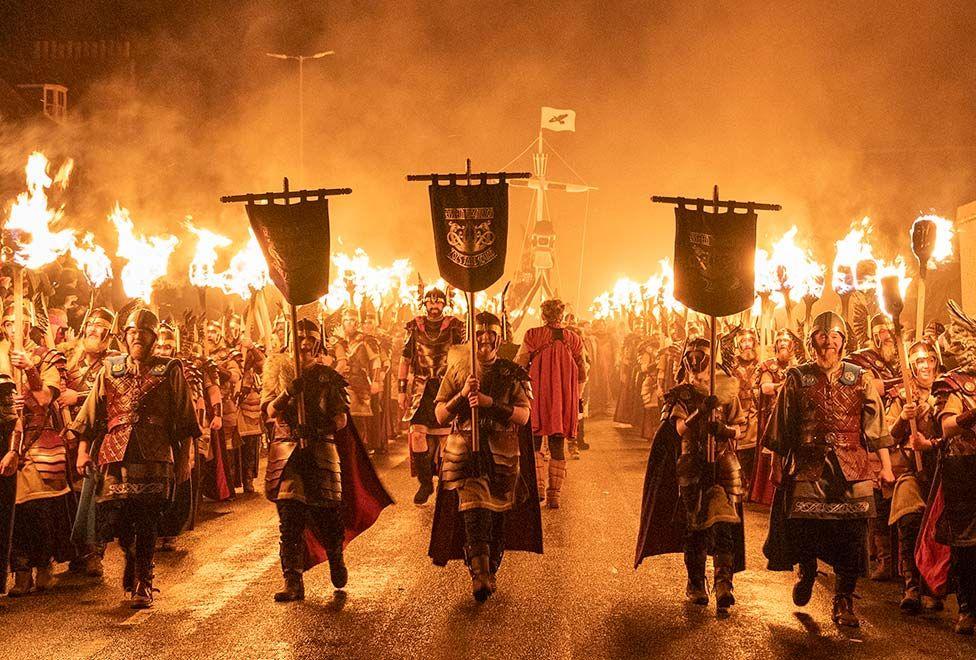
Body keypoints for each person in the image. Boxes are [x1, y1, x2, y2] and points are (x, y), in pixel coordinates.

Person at [763, 311, 895, 628]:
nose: (828, 343)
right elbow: (781, 427)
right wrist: (775, 465)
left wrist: (886, 466)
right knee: (806, 529)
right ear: (812, 343)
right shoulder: (796, 377)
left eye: (834, 337)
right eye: (822, 337)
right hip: (808, 463)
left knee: (852, 536)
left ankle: (844, 599)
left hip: (852, 464)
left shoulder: (859, 377)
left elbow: (875, 425)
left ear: (843, 342)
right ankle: (807, 571)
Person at [70, 308, 200, 608]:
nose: (137, 337)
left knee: (147, 519)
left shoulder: (170, 370)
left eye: (143, 333)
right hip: (115, 456)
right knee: (117, 520)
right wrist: (81, 450)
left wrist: (184, 459)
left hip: (155, 455)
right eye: (132, 333)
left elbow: (185, 418)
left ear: (154, 338)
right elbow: (92, 412)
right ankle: (130, 556)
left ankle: (144, 579)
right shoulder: (110, 369)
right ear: (125, 337)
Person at [635, 337, 746, 614]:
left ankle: (724, 584)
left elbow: (740, 428)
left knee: (724, 524)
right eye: (692, 358)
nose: (696, 364)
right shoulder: (680, 394)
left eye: (702, 358)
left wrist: (725, 431)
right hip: (692, 462)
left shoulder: (727, 389)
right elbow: (679, 430)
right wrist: (701, 412)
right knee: (695, 525)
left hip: (722, 463)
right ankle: (696, 583)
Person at [431, 311, 537, 601]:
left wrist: (492, 404)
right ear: (472, 336)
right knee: (474, 510)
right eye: (479, 333)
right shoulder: (456, 369)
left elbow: (524, 415)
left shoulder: (510, 372)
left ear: (498, 336)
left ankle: (489, 569)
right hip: (465, 449)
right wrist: (462, 394)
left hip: (502, 452)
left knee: (495, 516)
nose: (485, 339)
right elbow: (440, 415)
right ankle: (478, 575)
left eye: (490, 333)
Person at [2, 303, 74, 596]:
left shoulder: (48, 356)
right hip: (7, 438)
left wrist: (31, 370)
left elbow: (45, 398)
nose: (14, 327)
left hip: (41, 439)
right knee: (12, 511)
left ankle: (44, 565)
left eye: (20, 321)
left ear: (30, 324)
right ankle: (19, 570)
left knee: (39, 510)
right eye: (8, 322)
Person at [59, 306, 118, 576]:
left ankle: (95, 553)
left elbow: (109, 393)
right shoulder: (68, 355)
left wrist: (78, 397)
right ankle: (76, 551)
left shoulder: (116, 361)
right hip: (65, 433)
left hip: (98, 434)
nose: (94, 331)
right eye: (91, 326)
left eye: (100, 328)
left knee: (94, 495)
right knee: (68, 493)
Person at [885, 339, 942, 613]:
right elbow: (887, 435)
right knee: (910, 518)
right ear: (911, 365)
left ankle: (935, 586)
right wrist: (902, 419)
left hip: (941, 470)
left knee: (940, 525)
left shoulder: (947, 391)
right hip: (911, 469)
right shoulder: (901, 395)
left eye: (929, 359)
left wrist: (930, 443)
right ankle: (911, 585)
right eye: (919, 361)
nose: (925, 366)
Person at [515, 299, 586, 509]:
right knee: (557, 444)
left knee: (535, 441)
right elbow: (583, 373)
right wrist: (577, 397)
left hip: (537, 395)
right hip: (564, 397)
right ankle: (554, 495)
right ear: (561, 315)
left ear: (543, 315)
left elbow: (520, 365)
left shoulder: (532, 335)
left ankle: (537, 489)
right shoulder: (574, 339)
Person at [397, 288, 466, 505]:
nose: (434, 307)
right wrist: (401, 391)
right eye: (430, 303)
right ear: (425, 304)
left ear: (444, 305)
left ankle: (447, 486)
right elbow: (405, 360)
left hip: (446, 387)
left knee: (446, 440)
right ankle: (425, 482)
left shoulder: (455, 326)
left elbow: (464, 354)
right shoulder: (415, 327)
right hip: (421, 389)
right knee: (417, 435)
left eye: (438, 303)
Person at [846, 313, 901, 581]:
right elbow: (868, 387)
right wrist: (898, 384)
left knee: (894, 505)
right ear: (877, 337)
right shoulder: (862, 361)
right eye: (887, 338)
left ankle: (896, 561)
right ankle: (881, 558)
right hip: (870, 438)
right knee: (875, 502)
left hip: (899, 439)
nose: (892, 344)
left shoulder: (902, 360)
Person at [749, 329, 800, 505]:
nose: (783, 346)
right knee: (772, 454)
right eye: (781, 343)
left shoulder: (798, 366)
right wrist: (783, 386)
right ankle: (767, 494)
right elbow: (766, 388)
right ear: (776, 346)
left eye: (787, 343)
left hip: (792, 416)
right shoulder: (768, 366)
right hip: (772, 415)